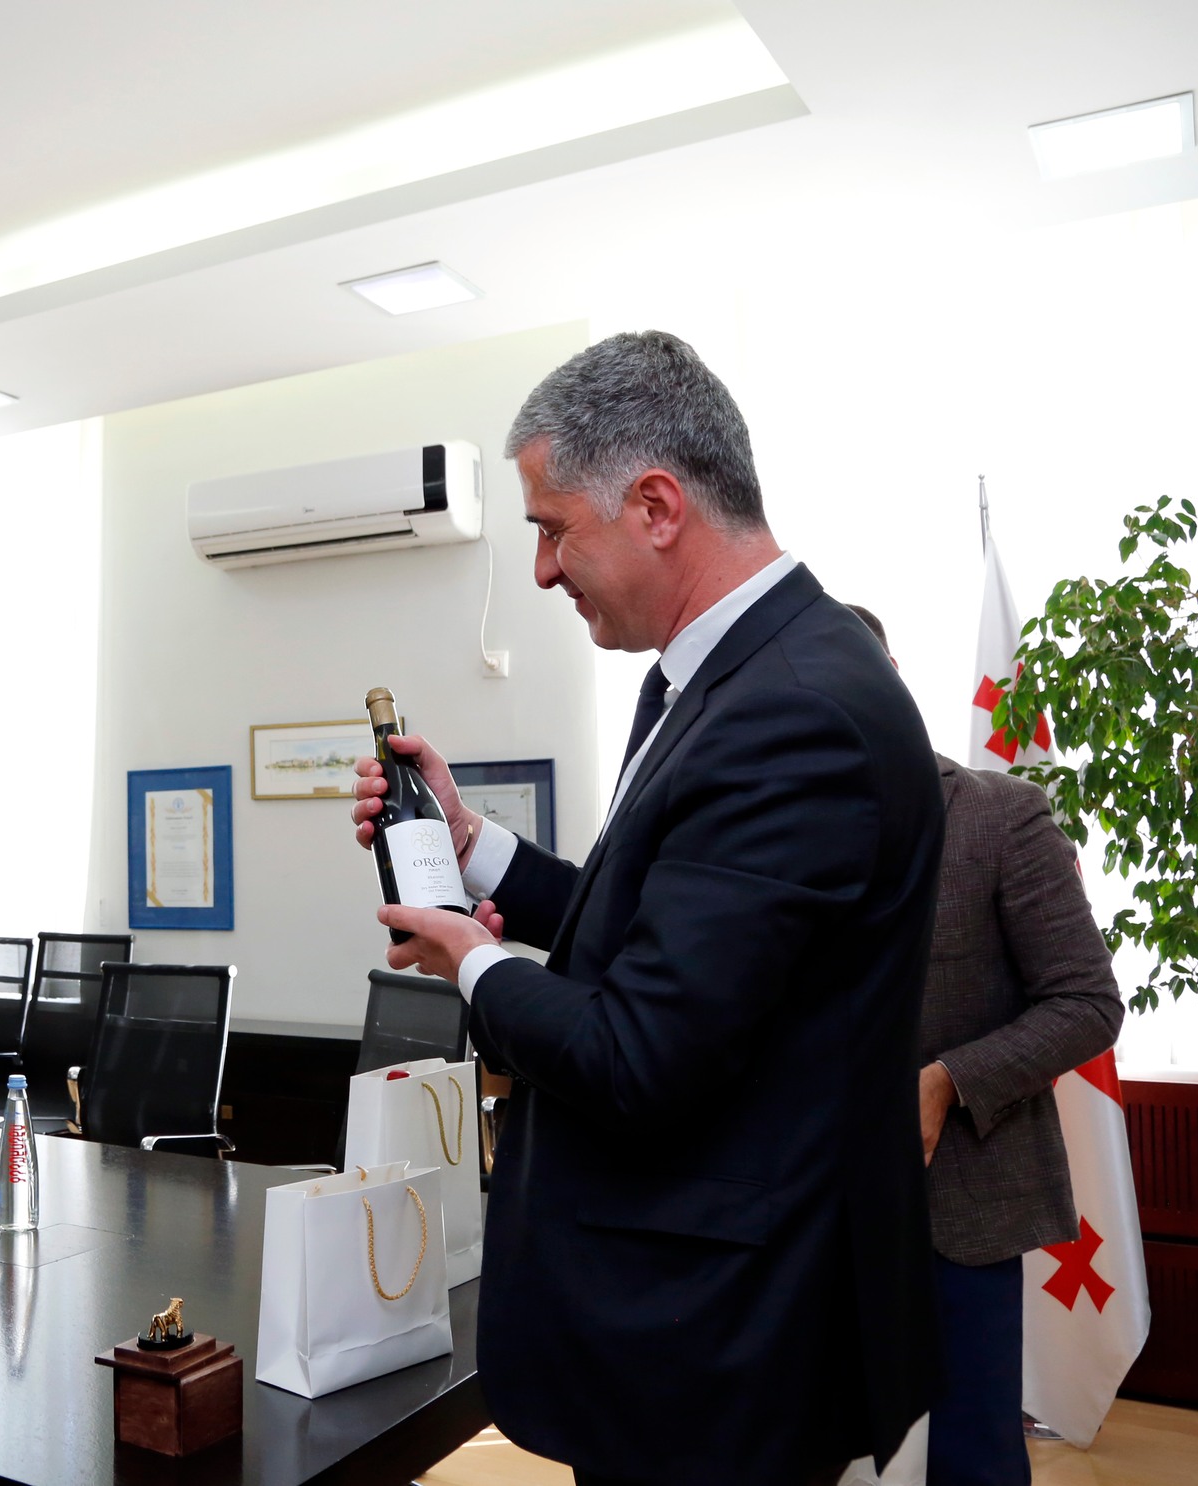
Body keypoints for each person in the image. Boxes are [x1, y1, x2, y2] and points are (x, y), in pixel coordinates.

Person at [351, 331, 944, 1486]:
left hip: (722, 1341)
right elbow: (669, 938)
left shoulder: (792, 709)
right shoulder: (726, 677)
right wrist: (473, 850)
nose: (539, 569)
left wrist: (473, 963)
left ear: (657, 506)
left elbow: (640, 1052)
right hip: (699, 1325)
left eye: (550, 527)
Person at [848, 604, 1123, 1486]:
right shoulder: (774, 836)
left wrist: (947, 1082)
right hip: (806, 1208)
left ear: (890, 681)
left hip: (959, 1209)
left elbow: (1087, 1002)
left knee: (972, 1460)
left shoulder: (1001, 816)